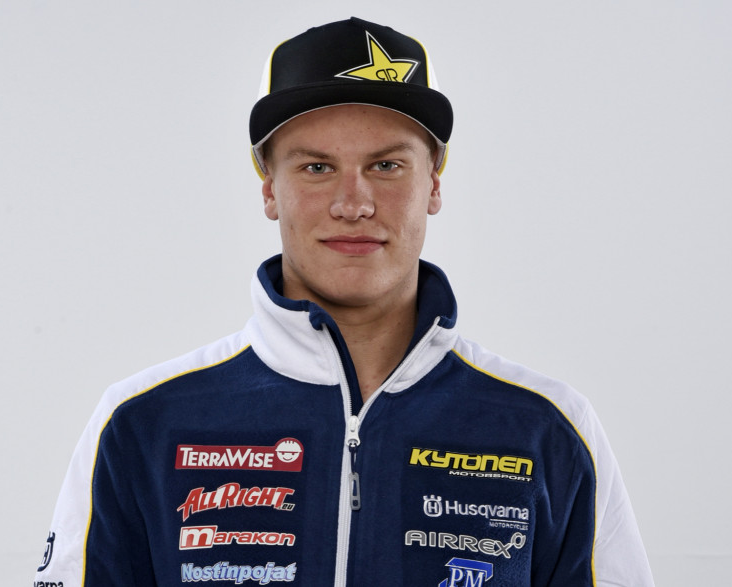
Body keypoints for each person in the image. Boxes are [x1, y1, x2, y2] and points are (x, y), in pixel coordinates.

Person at [33, 17, 653, 586]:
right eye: (316, 168)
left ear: (433, 184)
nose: (353, 204)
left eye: (386, 166)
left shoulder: (547, 431)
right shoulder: (142, 424)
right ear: (268, 188)